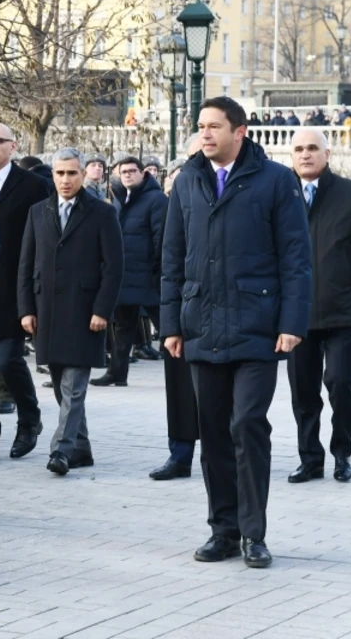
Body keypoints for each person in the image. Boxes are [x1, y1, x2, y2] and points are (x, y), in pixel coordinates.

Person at [161, 96, 311, 569]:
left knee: (248, 425)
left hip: (257, 329)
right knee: (214, 435)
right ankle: (222, 530)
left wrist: (291, 323)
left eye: (214, 127)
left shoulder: (276, 181)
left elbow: (296, 259)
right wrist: (170, 324)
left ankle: (253, 534)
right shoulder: (187, 182)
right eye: (201, 126)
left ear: (240, 131)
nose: (205, 134)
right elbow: (171, 259)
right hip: (201, 327)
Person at [18, 148, 123, 475]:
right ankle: (81, 448)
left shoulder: (102, 213)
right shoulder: (38, 212)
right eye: (60, 173)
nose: (65, 180)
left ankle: (61, 450)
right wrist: (26, 309)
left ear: (84, 175)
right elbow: (25, 264)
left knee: (74, 387)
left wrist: (102, 310)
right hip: (47, 312)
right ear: (53, 175)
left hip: (85, 313)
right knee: (64, 383)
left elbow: (115, 267)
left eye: (72, 173)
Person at [287, 128, 351, 484]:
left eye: (313, 148)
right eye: (299, 149)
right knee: (303, 391)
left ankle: (342, 454)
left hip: (342, 311)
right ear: (291, 156)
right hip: (295, 316)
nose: (306, 154)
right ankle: (310, 459)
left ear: (328, 154)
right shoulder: (281, 194)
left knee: (341, 383)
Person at [0, 123, 51, 464]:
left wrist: (35, 295)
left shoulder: (33, 186)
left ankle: (29, 421)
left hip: (13, 290)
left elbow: (43, 241)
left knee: (7, 359)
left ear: (13, 146)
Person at [150, 134, 203, 481]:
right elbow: (168, 258)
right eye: (190, 156)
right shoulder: (181, 192)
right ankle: (180, 455)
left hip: (231, 312)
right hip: (185, 306)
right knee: (180, 390)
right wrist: (169, 323)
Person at [92, 155, 166, 387]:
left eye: (133, 171)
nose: (127, 175)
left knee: (168, 327)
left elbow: (161, 238)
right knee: (124, 327)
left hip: (149, 278)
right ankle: (117, 373)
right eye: (123, 172)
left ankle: (186, 372)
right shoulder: (119, 200)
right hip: (125, 275)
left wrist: (158, 272)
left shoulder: (156, 200)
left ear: (143, 174)